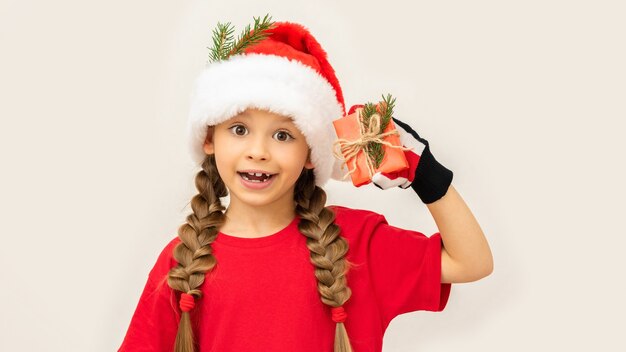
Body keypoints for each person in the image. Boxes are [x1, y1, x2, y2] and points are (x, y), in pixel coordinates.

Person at [118, 15, 493, 352]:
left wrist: (426, 174)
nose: (259, 151)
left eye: (283, 135)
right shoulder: (183, 261)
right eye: (239, 129)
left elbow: (471, 262)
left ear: (311, 153)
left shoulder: (355, 243)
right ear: (209, 140)